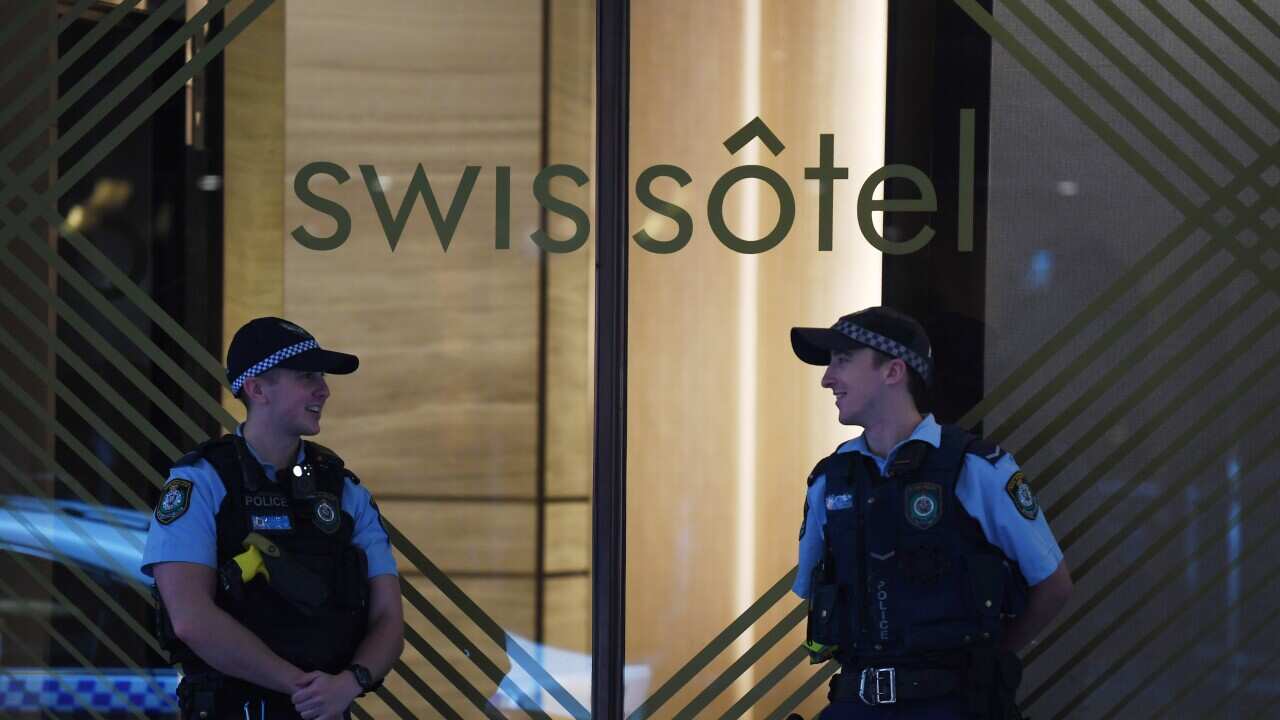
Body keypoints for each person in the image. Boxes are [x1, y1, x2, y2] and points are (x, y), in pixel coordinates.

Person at [790, 307, 1072, 719]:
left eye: (843, 361)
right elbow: (816, 593)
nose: (828, 378)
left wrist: (984, 664)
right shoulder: (830, 480)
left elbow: (1054, 587)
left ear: (893, 371)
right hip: (854, 705)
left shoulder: (976, 469)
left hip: (951, 706)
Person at [142, 317, 404, 720]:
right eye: (306, 376)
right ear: (256, 388)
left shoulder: (344, 490)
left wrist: (348, 684)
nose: (324, 389)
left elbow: (388, 618)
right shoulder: (202, 481)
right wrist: (304, 689)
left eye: (321, 376)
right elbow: (190, 618)